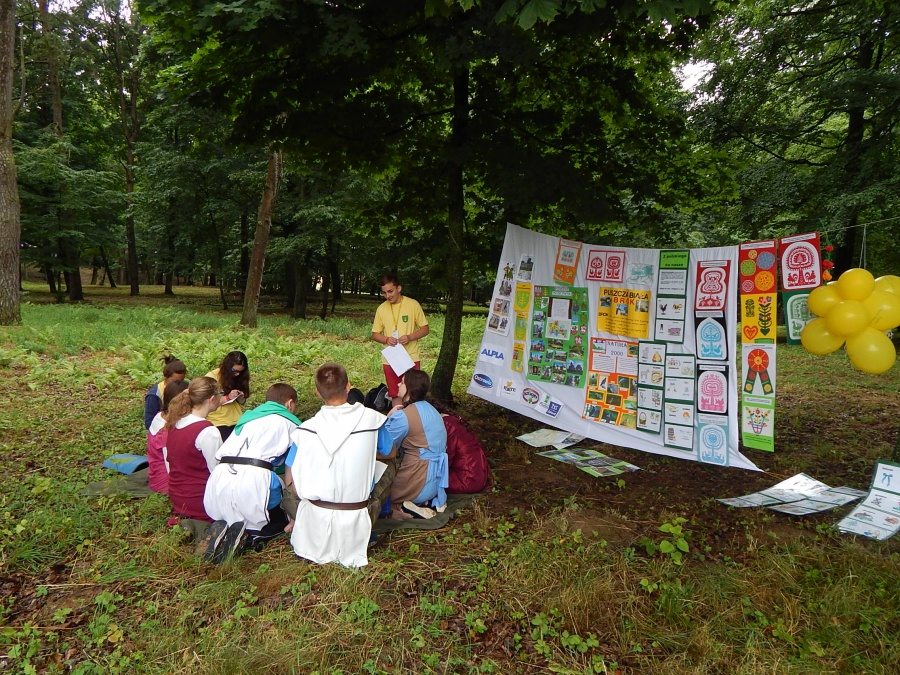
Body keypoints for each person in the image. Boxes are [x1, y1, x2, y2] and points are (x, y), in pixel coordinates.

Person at [285, 362, 395, 568]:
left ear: (317, 392)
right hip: (355, 511)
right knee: (390, 465)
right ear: (348, 386)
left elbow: (292, 471)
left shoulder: (305, 430)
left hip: (314, 513)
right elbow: (391, 453)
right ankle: (377, 520)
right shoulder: (372, 420)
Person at [201, 383, 302, 563]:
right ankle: (249, 538)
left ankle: (224, 531)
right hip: (255, 477)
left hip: (220, 476)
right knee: (279, 521)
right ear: (289, 403)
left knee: (233, 514)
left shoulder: (247, 419)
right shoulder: (291, 424)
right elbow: (293, 466)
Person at [385, 369, 448, 519]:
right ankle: (418, 504)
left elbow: (386, 447)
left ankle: (401, 508)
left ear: (409, 388)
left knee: (378, 495)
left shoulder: (404, 417)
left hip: (417, 480)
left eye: (402, 382)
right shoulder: (432, 410)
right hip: (437, 482)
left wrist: (388, 418)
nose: (398, 384)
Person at [165, 376, 223, 524]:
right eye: (220, 394)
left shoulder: (176, 423)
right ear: (212, 399)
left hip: (178, 497)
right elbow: (218, 472)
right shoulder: (207, 431)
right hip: (201, 500)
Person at [371, 274, 429, 407]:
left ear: (399, 288)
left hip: (410, 357)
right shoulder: (381, 308)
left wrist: (409, 337)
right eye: (384, 293)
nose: (387, 296)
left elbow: (425, 329)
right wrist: (386, 339)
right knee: (395, 393)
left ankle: (412, 418)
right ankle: (398, 418)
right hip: (391, 359)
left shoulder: (412, 304)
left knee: (413, 392)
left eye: (390, 291)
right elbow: (375, 334)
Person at [429, 398, 493, 494]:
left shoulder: (446, 425)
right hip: (478, 473)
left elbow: (445, 459)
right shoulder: (451, 420)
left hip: (467, 479)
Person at [146, 378, 190, 495]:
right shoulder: (166, 431)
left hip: (155, 475)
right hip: (165, 482)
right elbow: (171, 466)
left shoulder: (159, 416)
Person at [205, 351, 250, 441]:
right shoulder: (211, 377)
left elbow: (242, 402)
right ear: (227, 366)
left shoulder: (240, 377)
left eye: (240, 372)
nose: (237, 374)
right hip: (218, 420)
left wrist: (241, 398)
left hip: (237, 419)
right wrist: (228, 397)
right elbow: (208, 402)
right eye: (234, 371)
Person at [143, 356, 187, 430]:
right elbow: (149, 422)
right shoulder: (154, 395)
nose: (178, 383)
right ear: (166, 376)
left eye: (181, 380)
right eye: (174, 381)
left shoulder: (185, 387)